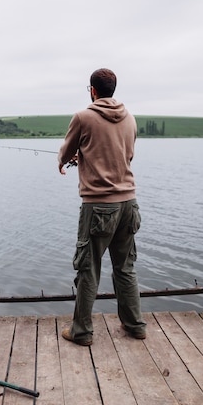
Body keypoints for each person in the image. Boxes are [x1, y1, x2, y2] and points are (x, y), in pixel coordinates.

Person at [58, 68, 146, 345]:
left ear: (93, 90)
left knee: (88, 269)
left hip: (98, 207)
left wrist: (65, 160)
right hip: (129, 204)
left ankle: (81, 332)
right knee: (125, 268)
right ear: (113, 89)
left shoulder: (83, 117)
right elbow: (127, 154)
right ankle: (135, 326)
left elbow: (66, 150)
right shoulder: (130, 118)